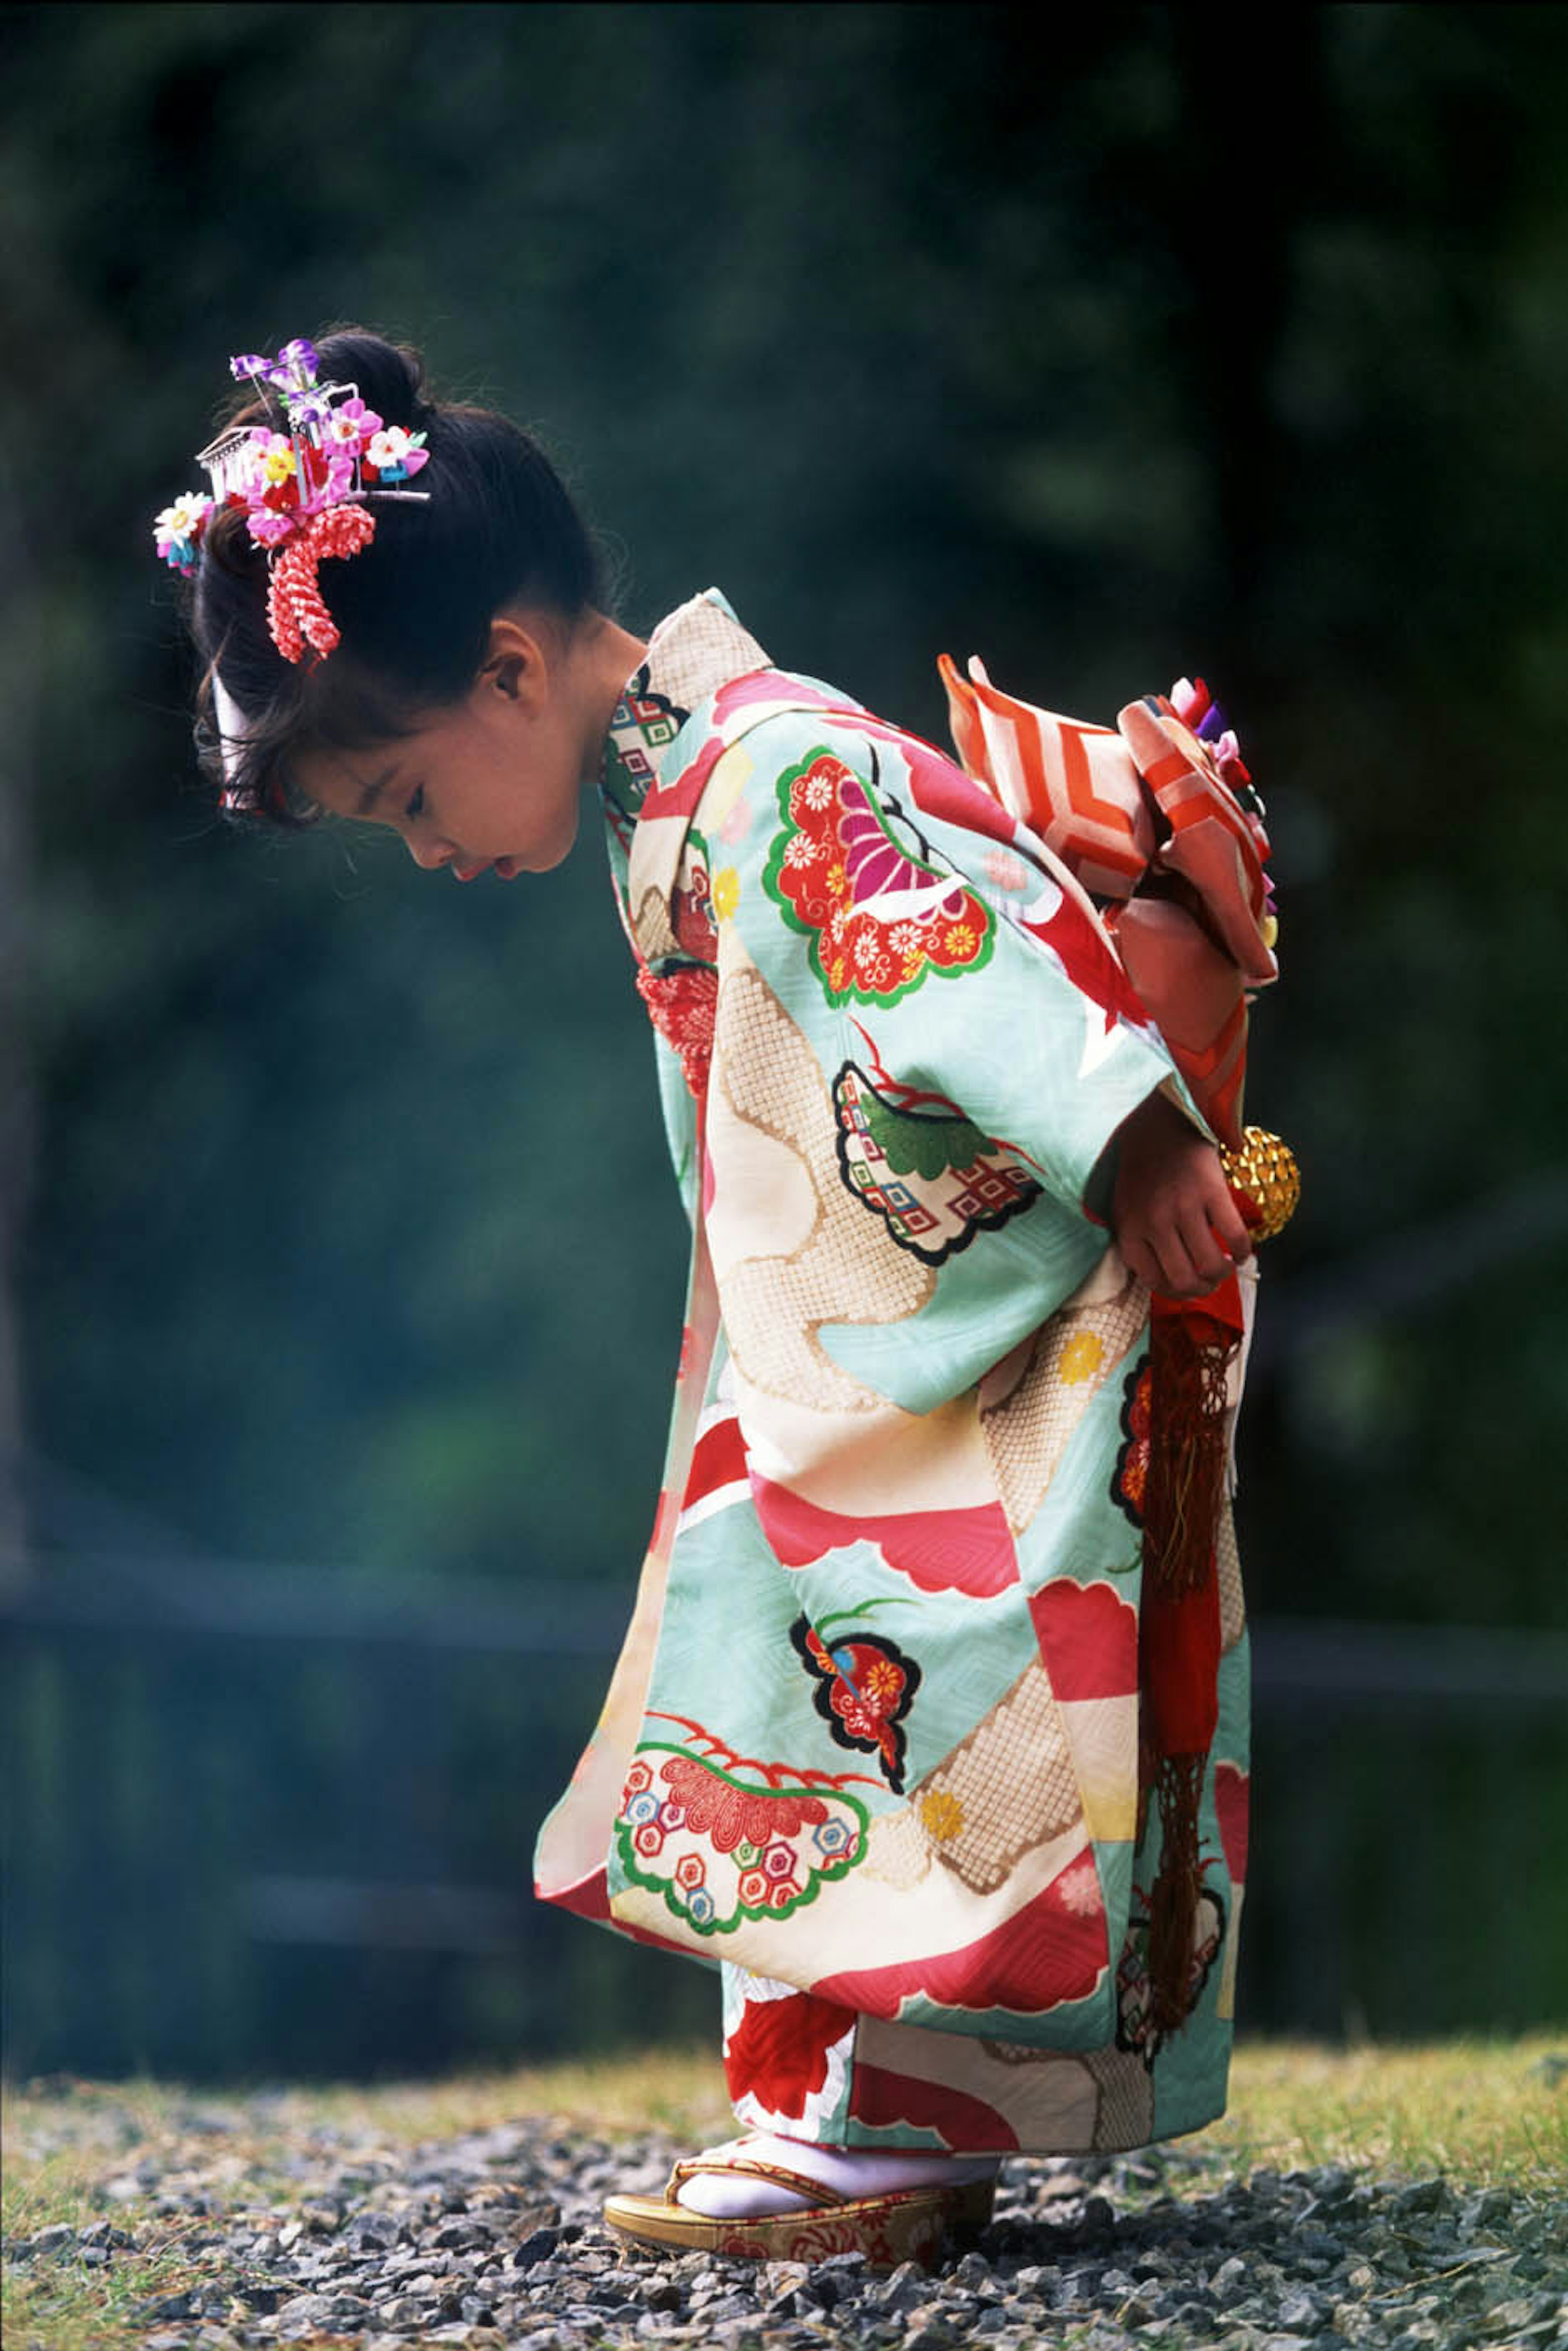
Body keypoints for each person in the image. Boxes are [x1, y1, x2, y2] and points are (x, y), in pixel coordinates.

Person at [159, 327, 1281, 2268]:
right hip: (840, 1327)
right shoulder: (675, 794)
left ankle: (896, 2120)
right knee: (777, 1648)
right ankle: (829, 2090)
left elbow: (966, 965)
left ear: (512, 667)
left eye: (411, 797)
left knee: (900, 1679)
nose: (428, 854)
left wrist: (1139, 1143)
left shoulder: (786, 772)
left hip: (970, 1326)